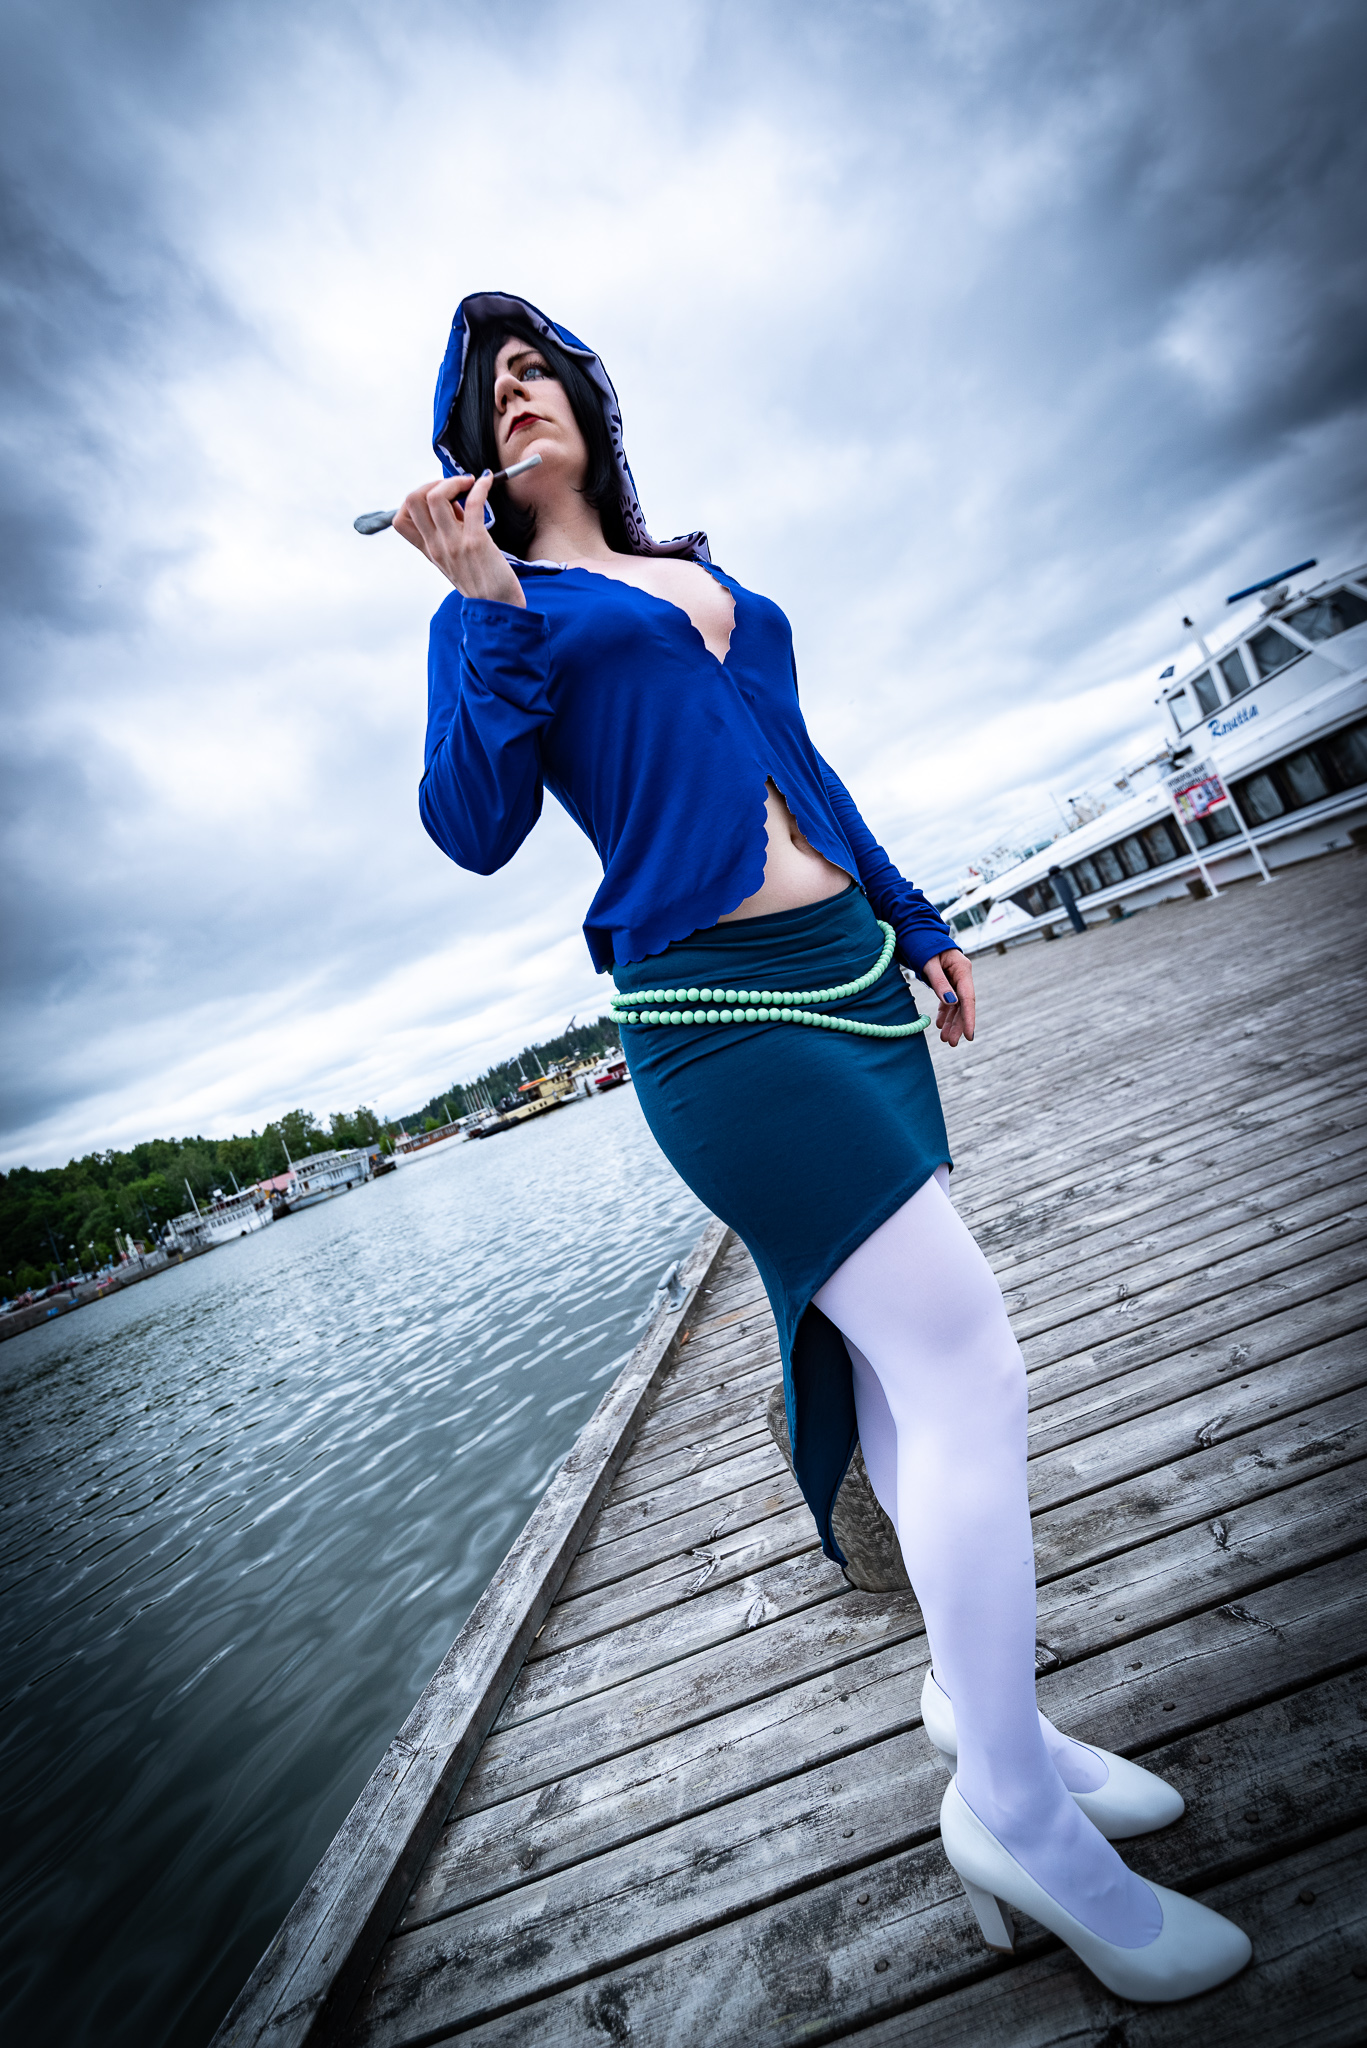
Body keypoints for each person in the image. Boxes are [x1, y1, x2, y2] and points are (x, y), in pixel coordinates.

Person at [395, 293, 1250, 2003]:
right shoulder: (494, 609)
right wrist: (483, 607)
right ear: (468, 453)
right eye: (488, 394)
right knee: (968, 1360)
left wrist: (916, 912)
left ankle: (994, 1726)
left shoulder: (692, 572)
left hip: (849, 978)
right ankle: (1015, 1814)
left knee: (911, 1387)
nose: (519, 398)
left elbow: (802, 761)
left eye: (537, 371)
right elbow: (470, 828)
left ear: (585, 403)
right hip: (717, 1017)